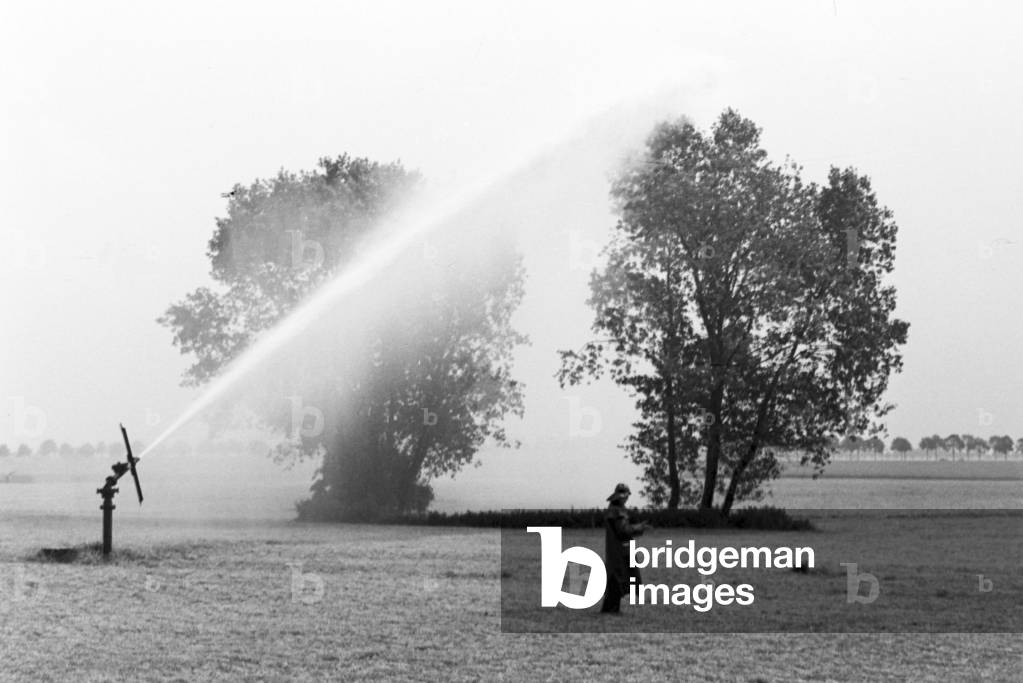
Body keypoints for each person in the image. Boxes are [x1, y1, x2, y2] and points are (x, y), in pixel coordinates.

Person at [600, 483, 649, 613]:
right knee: (618, 578)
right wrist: (639, 527)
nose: (627, 499)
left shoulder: (614, 509)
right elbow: (623, 530)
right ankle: (611, 609)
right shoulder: (617, 511)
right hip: (620, 550)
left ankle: (612, 609)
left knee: (617, 578)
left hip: (618, 549)